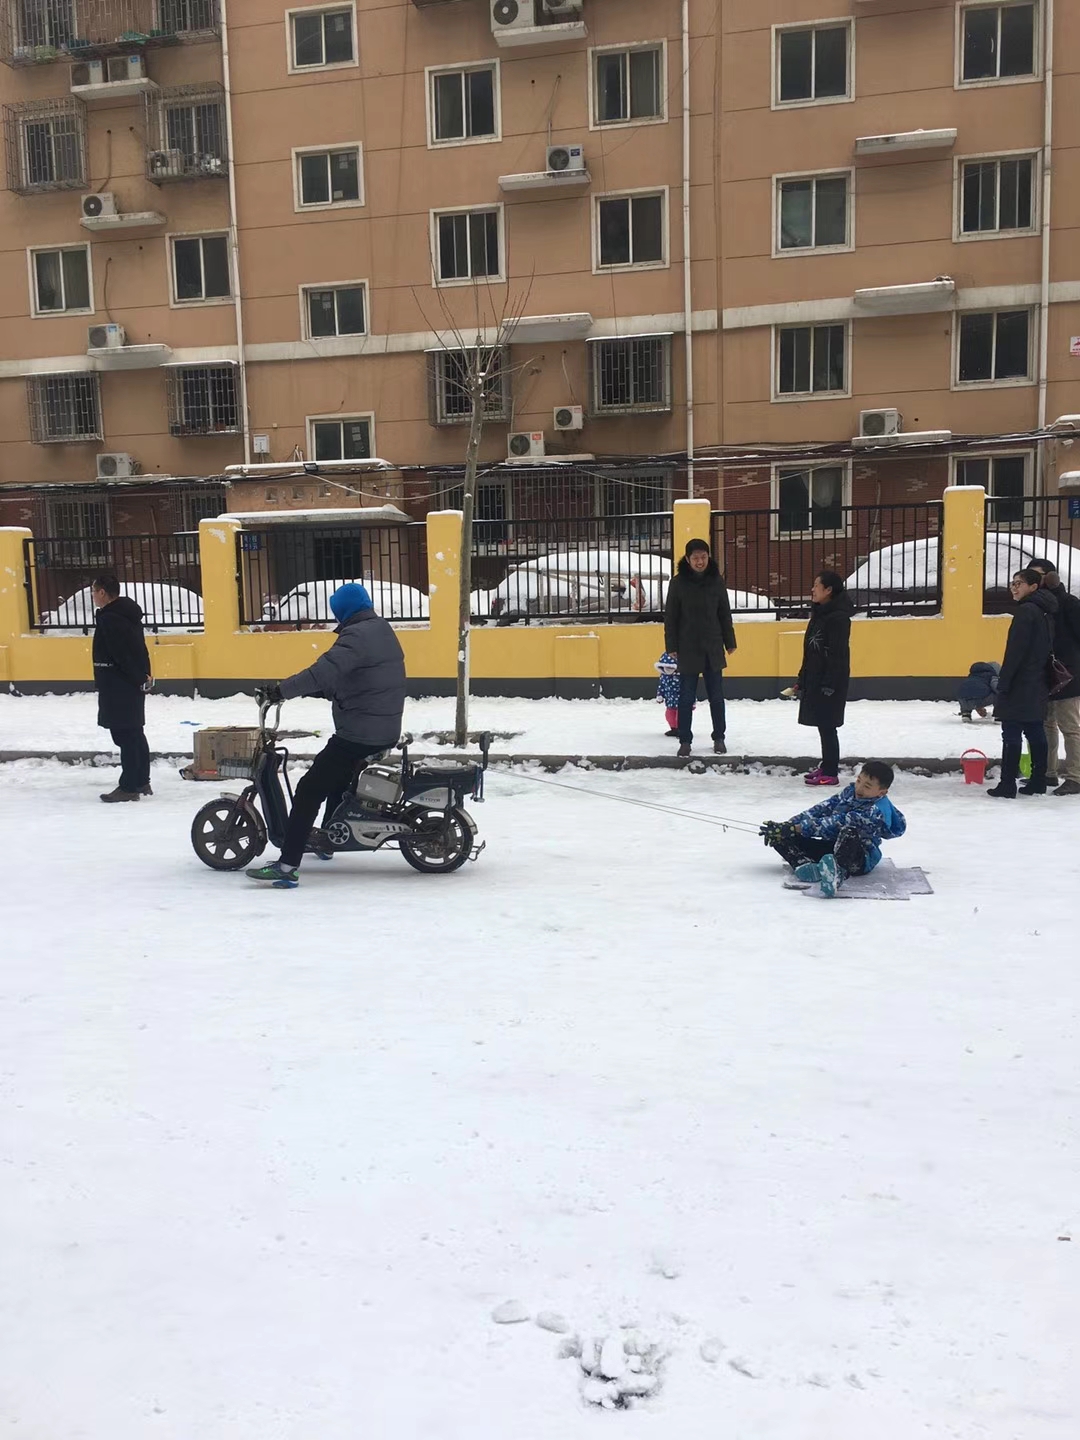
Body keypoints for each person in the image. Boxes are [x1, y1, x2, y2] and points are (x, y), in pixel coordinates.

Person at [246, 582, 407, 887]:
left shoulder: (356, 635)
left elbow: (322, 671)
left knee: (309, 789)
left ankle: (287, 866)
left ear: (343, 610)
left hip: (361, 732)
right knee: (338, 782)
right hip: (382, 726)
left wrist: (281, 691)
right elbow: (359, 678)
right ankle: (329, 839)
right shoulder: (380, 629)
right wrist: (325, 691)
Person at [759, 760, 906, 899]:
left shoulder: (875, 812)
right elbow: (823, 808)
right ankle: (805, 864)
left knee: (848, 832)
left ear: (882, 792)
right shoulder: (850, 792)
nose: (859, 788)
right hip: (833, 847)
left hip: (857, 859)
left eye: (867, 786)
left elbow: (835, 823)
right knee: (780, 836)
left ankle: (838, 873)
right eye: (859, 781)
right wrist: (786, 825)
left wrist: (795, 828)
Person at [987, 568, 1058, 799]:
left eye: (1019, 583)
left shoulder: (1026, 611)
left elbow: (1015, 652)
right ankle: (1038, 780)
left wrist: (1004, 683)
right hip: (1037, 679)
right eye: (1012, 583)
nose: (1014, 587)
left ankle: (1007, 783)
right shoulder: (1044, 610)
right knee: (1035, 730)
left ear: (1034, 587)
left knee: (1011, 732)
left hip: (1021, 682)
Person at [663, 537, 736, 757]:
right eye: (695, 558)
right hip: (687, 647)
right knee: (685, 697)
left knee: (716, 696)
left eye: (703, 557)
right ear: (687, 559)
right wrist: (671, 645)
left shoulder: (716, 580)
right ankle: (685, 740)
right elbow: (671, 617)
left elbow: (724, 612)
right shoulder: (678, 583)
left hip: (712, 646)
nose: (700, 562)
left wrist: (729, 641)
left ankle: (719, 737)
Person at [91, 575, 153, 803]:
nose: (93, 597)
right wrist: (145, 675)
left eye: (94, 592)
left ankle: (129, 786)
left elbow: (121, 654)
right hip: (130, 682)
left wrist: (137, 676)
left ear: (103, 593)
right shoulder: (128, 614)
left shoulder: (111, 619)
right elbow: (139, 648)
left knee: (124, 734)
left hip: (118, 683)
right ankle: (141, 779)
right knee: (134, 731)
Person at [792, 570, 853, 786]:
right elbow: (810, 650)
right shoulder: (819, 613)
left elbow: (838, 654)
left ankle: (831, 771)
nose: (812, 589)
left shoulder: (838, 618)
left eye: (816, 585)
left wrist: (829, 683)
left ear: (828, 590)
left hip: (830, 681)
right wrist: (803, 677)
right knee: (822, 724)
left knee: (828, 725)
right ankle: (826, 765)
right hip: (816, 677)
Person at [1028, 559, 1080, 796]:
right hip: (1044, 672)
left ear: (1050, 577)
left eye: (1038, 575)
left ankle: (1076, 776)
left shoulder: (1067, 603)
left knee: (1069, 726)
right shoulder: (1036, 605)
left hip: (1067, 673)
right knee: (1046, 723)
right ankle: (1047, 772)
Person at [654, 650, 686, 737]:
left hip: (682, 702)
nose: (668, 670)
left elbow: (690, 689)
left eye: (670, 668)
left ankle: (681, 729)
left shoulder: (682, 677)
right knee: (669, 715)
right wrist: (660, 695)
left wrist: (692, 701)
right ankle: (674, 728)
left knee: (681, 715)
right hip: (670, 701)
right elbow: (662, 685)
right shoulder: (664, 676)